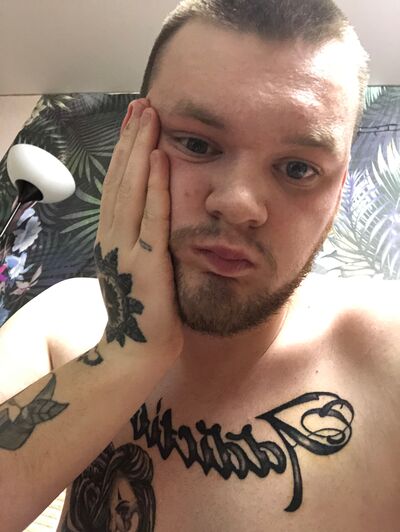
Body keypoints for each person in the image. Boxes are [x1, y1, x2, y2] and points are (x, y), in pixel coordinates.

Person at [0, 0, 399, 530]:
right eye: (197, 144)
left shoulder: (387, 358)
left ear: (339, 188)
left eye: (298, 169)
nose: (238, 204)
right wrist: (127, 351)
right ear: (132, 141)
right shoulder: (58, 323)